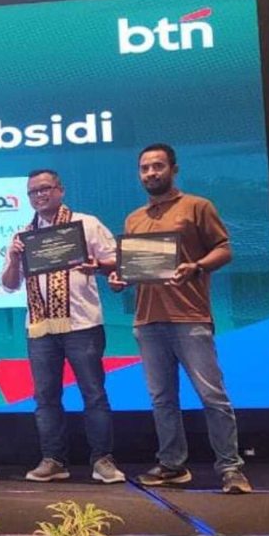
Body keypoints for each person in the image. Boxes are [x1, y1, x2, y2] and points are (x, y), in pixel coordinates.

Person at [109, 143, 251, 494]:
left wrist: (197, 266)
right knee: (162, 400)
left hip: (190, 316)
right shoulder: (134, 218)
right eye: (144, 168)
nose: (150, 173)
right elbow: (134, 269)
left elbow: (224, 249)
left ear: (174, 169)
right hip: (147, 321)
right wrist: (120, 279)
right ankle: (172, 465)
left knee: (212, 396)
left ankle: (231, 469)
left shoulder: (197, 206)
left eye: (157, 166)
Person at [1, 169, 126, 484]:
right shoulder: (22, 236)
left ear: (60, 190)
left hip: (83, 324)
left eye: (45, 188)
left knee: (93, 394)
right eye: (33, 191)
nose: (39, 195)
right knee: (45, 398)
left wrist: (97, 266)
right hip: (40, 328)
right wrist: (14, 258)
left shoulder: (86, 224)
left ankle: (102, 460)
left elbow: (118, 261)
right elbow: (10, 284)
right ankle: (54, 460)